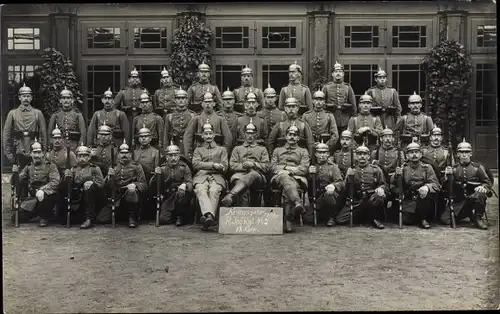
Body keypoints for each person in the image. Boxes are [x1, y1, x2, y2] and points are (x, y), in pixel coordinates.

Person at [440, 139, 493, 230]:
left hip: (474, 198)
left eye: (466, 152)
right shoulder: (454, 169)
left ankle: (478, 217)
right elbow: (445, 187)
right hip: (460, 201)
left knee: (480, 193)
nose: (464, 155)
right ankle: (468, 213)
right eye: (461, 152)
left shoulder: (477, 168)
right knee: (445, 220)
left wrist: (483, 187)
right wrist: (446, 176)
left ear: (470, 154)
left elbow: (487, 182)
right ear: (457, 154)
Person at [96, 140, 147, 228]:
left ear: (130, 154)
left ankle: (132, 217)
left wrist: (135, 185)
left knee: (131, 192)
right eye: (121, 153)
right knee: (101, 219)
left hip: (130, 194)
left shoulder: (137, 166)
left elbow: (143, 184)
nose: (124, 155)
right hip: (117, 196)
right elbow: (104, 186)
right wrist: (108, 177)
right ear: (118, 154)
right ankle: (121, 215)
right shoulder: (114, 167)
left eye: (126, 153)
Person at [391, 141, 441, 228]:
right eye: (411, 152)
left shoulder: (427, 168)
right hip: (409, 199)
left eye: (416, 152)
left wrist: (427, 187)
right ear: (407, 156)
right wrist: (396, 175)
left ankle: (423, 220)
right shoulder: (403, 168)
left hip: (423, 199)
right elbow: (392, 183)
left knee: (424, 198)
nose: (414, 155)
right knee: (406, 220)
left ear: (421, 154)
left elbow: (436, 184)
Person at [337, 144, 387, 229]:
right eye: (359, 154)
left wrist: (381, 189)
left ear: (368, 156)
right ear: (356, 156)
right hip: (357, 200)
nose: (362, 156)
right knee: (340, 219)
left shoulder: (376, 170)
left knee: (378, 197)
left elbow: (383, 184)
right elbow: (345, 189)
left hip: (371, 199)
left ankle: (375, 218)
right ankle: (364, 217)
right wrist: (349, 177)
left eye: (365, 154)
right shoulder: (352, 170)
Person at [271, 125, 310, 233]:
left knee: (287, 186)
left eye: (295, 135)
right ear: (286, 136)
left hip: (298, 178)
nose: (292, 137)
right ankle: (297, 203)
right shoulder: (277, 150)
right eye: (290, 134)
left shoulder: (303, 151)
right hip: (278, 178)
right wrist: (286, 169)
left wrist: (289, 171)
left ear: (298, 138)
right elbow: (273, 167)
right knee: (284, 177)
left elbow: (304, 169)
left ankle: (289, 219)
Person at [221, 121, 270, 207]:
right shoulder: (237, 149)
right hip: (239, 175)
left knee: (253, 174)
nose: (250, 136)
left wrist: (253, 165)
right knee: (244, 190)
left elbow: (267, 166)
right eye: (248, 133)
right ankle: (244, 216)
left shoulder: (262, 149)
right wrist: (244, 166)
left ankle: (230, 195)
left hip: (257, 177)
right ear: (244, 134)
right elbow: (232, 165)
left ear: (256, 135)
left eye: (252, 133)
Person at [14, 139, 60, 227]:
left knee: (45, 198)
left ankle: (44, 217)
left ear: (43, 153)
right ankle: (39, 213)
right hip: (33, 197)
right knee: (17, 217)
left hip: (48, 196)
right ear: (30, 153)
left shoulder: (50, 166)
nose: (36, 155)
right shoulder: (28, 167)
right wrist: (15, 174)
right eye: (34, 152)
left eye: (39, 152)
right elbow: (17, 181)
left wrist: (42, 190)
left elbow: (55, 182)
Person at [192, 122, 228, 231]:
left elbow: (225, 166)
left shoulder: (222, 150)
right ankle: (210, 217)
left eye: (210, 133)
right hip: (201, 177)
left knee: (214, 190)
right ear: (202, 135)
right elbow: (195, 164)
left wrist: (219, 167)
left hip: (217, 177)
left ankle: (207, 217)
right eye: (206, 134)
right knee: (200, 190)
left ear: (214, 135)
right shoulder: (198, 150)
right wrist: (213, 165)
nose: (208, 136)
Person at [3, 83, 48, 169]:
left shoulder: (37, 113)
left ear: (31, 98)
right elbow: (6, 134)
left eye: (28, 96)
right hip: (18, 150)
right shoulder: (13, 113)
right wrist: (8, 153)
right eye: (23, 96)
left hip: (35, 150)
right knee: (19, 177)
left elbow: (43, 133)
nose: (26, 98)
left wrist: (44, 151)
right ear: (19, 97)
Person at [151, 142, 193, 226]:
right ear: (166, 157)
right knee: (163, 220)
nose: (173, 158)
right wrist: (156, 176)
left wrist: (185, 184)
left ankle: (179, 216)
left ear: (178, 157)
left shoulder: (184, 168)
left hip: (181, 195)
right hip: (168, 196)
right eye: (170, 156)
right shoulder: (162, 169)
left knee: (181, 194)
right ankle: (174, 215)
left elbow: (190, 184)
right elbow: (152, 187)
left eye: (175, 155)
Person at [63, 143, 105, 229]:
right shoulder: (73, 169)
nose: (82, 158)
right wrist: (67, 177)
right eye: (79, 156)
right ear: (76, 157)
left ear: (89, 157)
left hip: (93, 197)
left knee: (89, 188)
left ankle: (90, 218)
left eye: (85, 156)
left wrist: (92, 182)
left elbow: (101, 184)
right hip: (79, 197)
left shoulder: (94, 168)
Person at [183, 92, 233, 159]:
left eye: (210, 102)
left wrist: (223, 154)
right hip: (200, 154)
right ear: (202, 104)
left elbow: (228, 139)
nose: (208, 104)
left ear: (214, 103)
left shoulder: (220, 119)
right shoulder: (196, 118)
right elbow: (188, 137)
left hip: (216, 153)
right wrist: (189, 154)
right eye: (206, 102)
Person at [45, 125, 77, 222]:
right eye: (55, 138)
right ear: (51, 140)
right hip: (52, 180)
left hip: (65, 181)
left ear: (63, 139)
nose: (57, 140)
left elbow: (75, 168)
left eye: (59, 138)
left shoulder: (69, 154)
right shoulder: (48, 155)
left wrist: (70, 173)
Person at [308, 141, 345, 227]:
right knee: (308, 218)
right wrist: (309, 174)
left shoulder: (333, 167)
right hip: (317, 196)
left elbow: (341, 182)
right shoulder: (313, 166)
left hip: (329, 194)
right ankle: (322, 215)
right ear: (316, 154)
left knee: (329, 195)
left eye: (324, 152)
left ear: (328, 154)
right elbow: (307, 184)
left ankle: (331, 216)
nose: (322, 155)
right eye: (319, 152)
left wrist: (333, 186)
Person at [322, 61, 357, 136]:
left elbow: (353, 106)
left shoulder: (347, 87)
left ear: (343, 74)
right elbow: (321, 104)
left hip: (345, 119)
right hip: (331, 118)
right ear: (332, 74)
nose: (338, 73)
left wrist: (352, 120)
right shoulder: (326, 87)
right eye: (336, 71)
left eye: (340, 71)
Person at [47, 87, 87, 151]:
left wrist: (79, 147)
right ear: (60, 100)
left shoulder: (78, 115)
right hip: (59, 146)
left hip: (74, 145)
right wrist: (52, 146)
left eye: (68, 98)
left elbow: (83, 133)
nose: (66, 100)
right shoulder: (55, 115)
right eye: (63, 98)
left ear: (72, 100)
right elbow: (49, 134)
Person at [163, 87, 197, 157]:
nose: (181, 100)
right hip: (174, 145)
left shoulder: (193, 115)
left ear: (187, 100)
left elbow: (195, 135)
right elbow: (166, 136)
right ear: (175, 100)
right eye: (178, 98)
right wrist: (166, 149)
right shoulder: (170, 116)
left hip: (188, 146)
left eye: (183, 98)